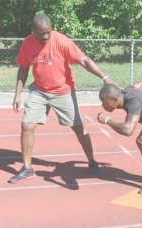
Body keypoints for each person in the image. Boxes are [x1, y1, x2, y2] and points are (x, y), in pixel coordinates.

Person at [9, 13, 116, 184]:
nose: (45, 36)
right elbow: (23, 68)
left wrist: (105, 78)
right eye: (41, 33)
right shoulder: (27, 44)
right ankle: (27, 168)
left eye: (48, 32)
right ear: (33, 31)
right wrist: (17, 94)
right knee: (26, 126)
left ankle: (91, 161)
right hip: (39, 91)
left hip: (63, 90)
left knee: (78, 128)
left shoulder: (61, 41)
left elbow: (84, 60)